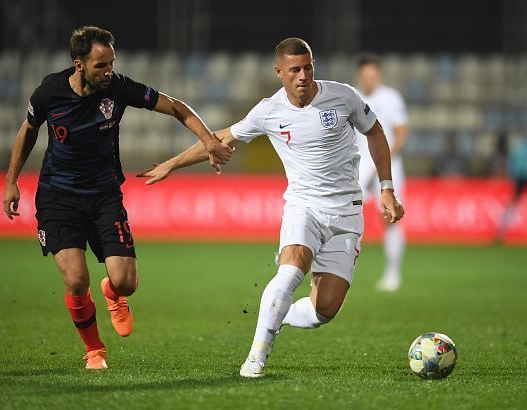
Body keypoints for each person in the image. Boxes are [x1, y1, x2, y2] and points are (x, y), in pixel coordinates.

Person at [138, 38, 404, 378]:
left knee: (325, 310)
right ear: (279, 72)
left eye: (308, 67)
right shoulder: (268, 111)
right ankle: (256, 356)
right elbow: (220, 138)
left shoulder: (344, 95)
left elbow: (377, 133)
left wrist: (386, 188)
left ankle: (279, 315)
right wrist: (171, 164)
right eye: (294, 70)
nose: (303, 76)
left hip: (347, 211)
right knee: (291, 269)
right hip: (303, 205)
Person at [3, 26, 233, 370]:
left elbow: (177, 107)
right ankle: (94, 349)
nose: (109, 71)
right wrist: (11, 181)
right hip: (58, 198)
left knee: (127, 282)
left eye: (111, 63)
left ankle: (113, 293)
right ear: (79, 64)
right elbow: (29, 130)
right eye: (100, 65)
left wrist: (210, 140)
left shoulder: (118, 88)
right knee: (77, 281)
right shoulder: (49, 92)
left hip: (104, 196)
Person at [354, 55, 409, 292]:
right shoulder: (352, 96)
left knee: (390, 217)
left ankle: (393, 273)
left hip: (388, 164)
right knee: (341, 213)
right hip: (358, 163)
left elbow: (401, 131)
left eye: (373, 76)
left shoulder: (390, 98)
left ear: (380, 76)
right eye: (365, 77)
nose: (369, 81)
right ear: (359, 77)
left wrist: (385, 159)